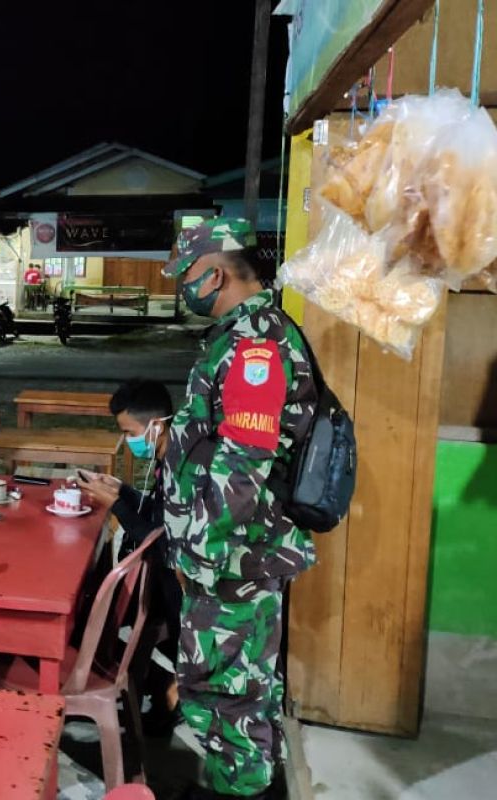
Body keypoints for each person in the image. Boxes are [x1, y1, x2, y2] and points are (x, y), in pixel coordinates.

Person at [161, 218, 318, 800]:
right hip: (232, 551)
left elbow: (244, 459)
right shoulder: (246, 333)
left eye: (186, 277)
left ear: (215, 273)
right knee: (235, 685)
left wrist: (200, 545)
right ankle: (238, 784)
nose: (184, 288)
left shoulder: (255, 341)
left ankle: (240, 790)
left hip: (234, 554)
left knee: (229, 693)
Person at [76, 379, 181, 735]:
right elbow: (156, 511)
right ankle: (157, 682)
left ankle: (164, 686)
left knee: (89, 615)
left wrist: (117, 505)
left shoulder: (182, 467)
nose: (127, 440)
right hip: (161, 576)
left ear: (157, 424)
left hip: (172, 584)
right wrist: (122, 490)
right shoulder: (169, 456)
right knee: (91, 608)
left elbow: (157, 537)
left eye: (129, 431)